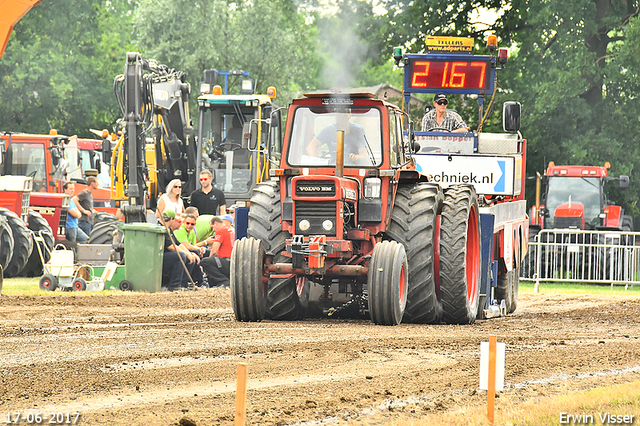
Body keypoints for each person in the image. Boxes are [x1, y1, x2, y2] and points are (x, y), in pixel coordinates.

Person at [160, 209, 199, 291]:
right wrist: (186, 253)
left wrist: (189, 254)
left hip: (168, 255)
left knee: (190, 255)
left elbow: (178, 243)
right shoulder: (162, 228)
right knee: (181, 255)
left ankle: (184, 284)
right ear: (171, 219)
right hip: (160, 257)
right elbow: (170, 246)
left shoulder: (169, 229)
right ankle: (174, 285)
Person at [174, 213, 207, 287]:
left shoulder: (192, 232)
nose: (189, 226)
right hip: (180, 252)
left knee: (204, 253)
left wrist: (200, 250)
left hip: (187, 251)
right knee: (194, 253)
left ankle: (199, 279)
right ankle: (198, 280)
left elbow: (193, 245)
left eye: (192, 224)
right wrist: (199, 247)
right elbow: (185, 245)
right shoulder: (180, 230)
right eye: (187, 223)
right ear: (184, 222)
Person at [200, 216, 233, 288]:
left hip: (226, 260)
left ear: (216, 223)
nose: (213, 230)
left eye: (212, 227)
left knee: (206, 261)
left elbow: (214, 251)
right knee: (209, 255)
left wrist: (207, 264)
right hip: (232, 260)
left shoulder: (220, 231)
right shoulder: (230, 230)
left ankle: (224, 282)